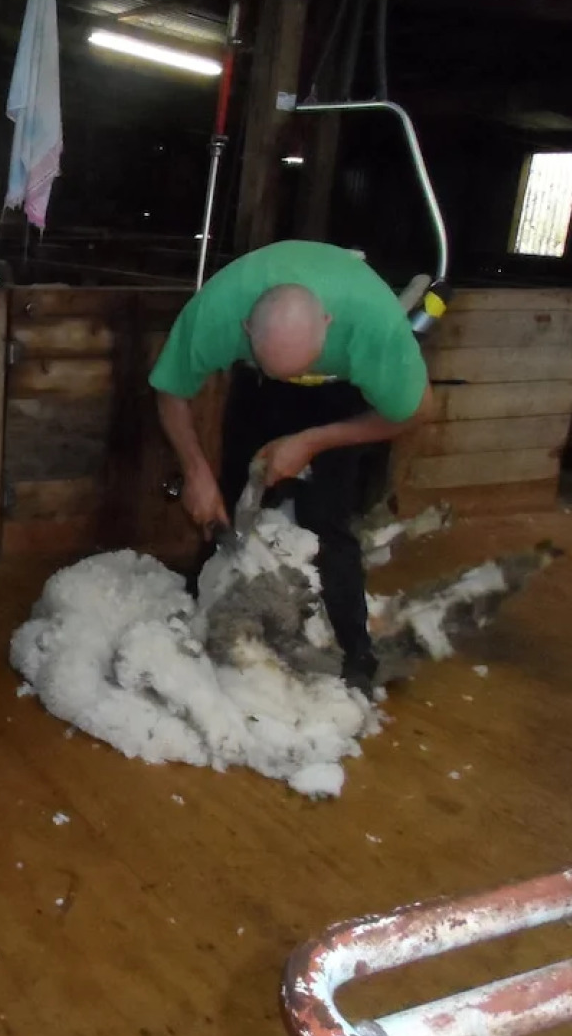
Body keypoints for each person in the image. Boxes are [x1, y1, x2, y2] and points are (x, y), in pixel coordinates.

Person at [149, 239, 435, 696]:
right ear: (245, 328)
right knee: (232, 493)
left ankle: (354, 649)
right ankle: (205, 612)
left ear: (328, 323)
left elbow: (415, 411)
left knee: (326, 517)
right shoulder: (216, 312)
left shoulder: (372, 325)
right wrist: (195, 471)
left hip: (339, 394)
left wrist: (313, 441)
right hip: (257, 385)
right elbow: (170, 390)